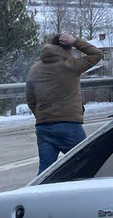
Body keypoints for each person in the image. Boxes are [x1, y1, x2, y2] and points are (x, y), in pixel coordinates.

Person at [26, 32, 104, 173]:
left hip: (43, 127)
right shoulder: (70, 65)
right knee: (87, 165)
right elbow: (97, 54)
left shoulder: (34, 69)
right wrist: (75, 41)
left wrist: (42, 116)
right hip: (69, 126)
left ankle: (40, 194)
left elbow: (31, 100)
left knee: (45, 172)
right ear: (69, 49)